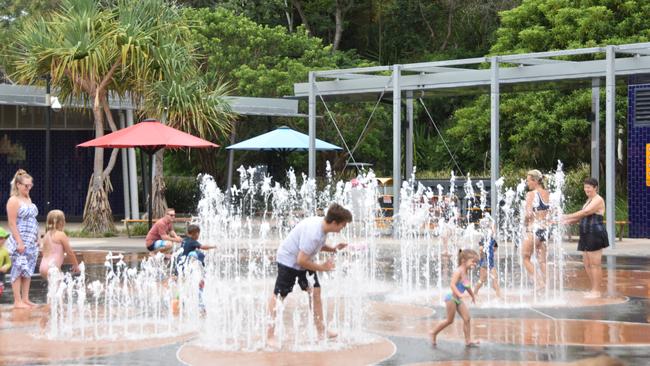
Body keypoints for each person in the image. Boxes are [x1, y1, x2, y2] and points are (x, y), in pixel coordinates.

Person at [266, 203, 353, 346]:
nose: (343, 228)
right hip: (289, 261)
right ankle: (269, 336)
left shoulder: (322, 227)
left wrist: (333, 249)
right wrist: (322, 268)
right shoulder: (314, 233)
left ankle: (321, 331)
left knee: (315, 292)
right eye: (343, 225)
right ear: (334, 222)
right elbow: (301, 260)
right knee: (279, 296)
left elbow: (316, 246)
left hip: (302, 259)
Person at [562, 177, 608, 299]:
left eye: (589, 187)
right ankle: (593, 288)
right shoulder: (589, 200)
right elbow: (581, 217)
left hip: (595, 233)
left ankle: (597, 291)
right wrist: (565, 221)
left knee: (595, 264)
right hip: (586, 233)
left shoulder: (598, 200)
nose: (586, 189)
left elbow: (586, 212)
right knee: (587, 264)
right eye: (585, 187)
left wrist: (566, 216)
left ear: (595, 188)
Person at [430, 249, 479, 347]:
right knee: (449, 320)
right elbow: (452, 285)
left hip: (458, 299)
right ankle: (434, 333)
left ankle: (468, 341)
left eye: (476, 262)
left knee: (467, 318)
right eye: (473, 262)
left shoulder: (465, 271)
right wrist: (460, 294)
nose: (475, 264)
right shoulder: (458, 271)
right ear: (463, 261)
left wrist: (472, 295)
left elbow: (466, 285)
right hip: (451, 298)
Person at [6, 169, 39, 309]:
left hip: (31, 241)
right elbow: (12, 223)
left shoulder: (28, 199)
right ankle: (17, 300)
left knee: (28, 270)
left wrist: (38, 237)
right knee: (18, 269)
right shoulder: (13, 200)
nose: (28, 188)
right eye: (26, 185)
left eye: (30, 185)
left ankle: (25, 298)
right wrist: (19, 241)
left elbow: (33, 220)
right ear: (18, 185)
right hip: (20, 240)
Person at [522, 169, 550, 290]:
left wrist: (523, 224)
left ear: (534, 181)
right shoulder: (547, 193)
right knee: (542, 260)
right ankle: (547, 284)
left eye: (528, 181)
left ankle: (539, 283)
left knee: (525, 257)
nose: (527, 183)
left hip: (534, 229)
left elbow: (528, 214)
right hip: (544, 229)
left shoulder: (531, 194)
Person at [39, 210, 80, 280]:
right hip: (52, 268)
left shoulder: (46, 235)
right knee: (60, 288)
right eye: (64, 220)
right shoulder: (61, 235)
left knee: (54, 287)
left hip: (43, 267)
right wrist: (76, 265)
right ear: (61, 222)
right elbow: (69, 252)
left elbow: (44, 252)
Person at [473, 218, 501, 298]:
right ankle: (474, 293)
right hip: (485, 261)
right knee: (482, 280)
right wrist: (482, 257)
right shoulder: (484, 239)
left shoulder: (492, 240)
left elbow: (495, 248)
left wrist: (490, 253)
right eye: (493, 228)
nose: (494, 230)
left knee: (493, 278)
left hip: (490, 262)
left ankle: (498, 295)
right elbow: (481, 249)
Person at [0, 227, 12, 299]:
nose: (3, 240)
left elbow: (9, 262)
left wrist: (6, 266)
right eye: (1, 238)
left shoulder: (5, 251)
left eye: (4, 238)